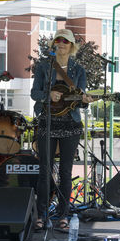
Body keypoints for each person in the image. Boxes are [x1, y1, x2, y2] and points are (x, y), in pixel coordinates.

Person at [30, 29, 93, 230]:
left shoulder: (79, 70)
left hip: (70, 125)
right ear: (54, 44)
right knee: (44, 171)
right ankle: (41, 215)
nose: (61, 43)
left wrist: (84, 100)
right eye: (58, 40)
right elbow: (34, 93)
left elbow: (80, 102)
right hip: (47, 123)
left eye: (66, 41)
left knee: (66, 172)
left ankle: (63, 216)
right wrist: (48, 94)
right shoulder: (43, 66)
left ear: (71, 45)